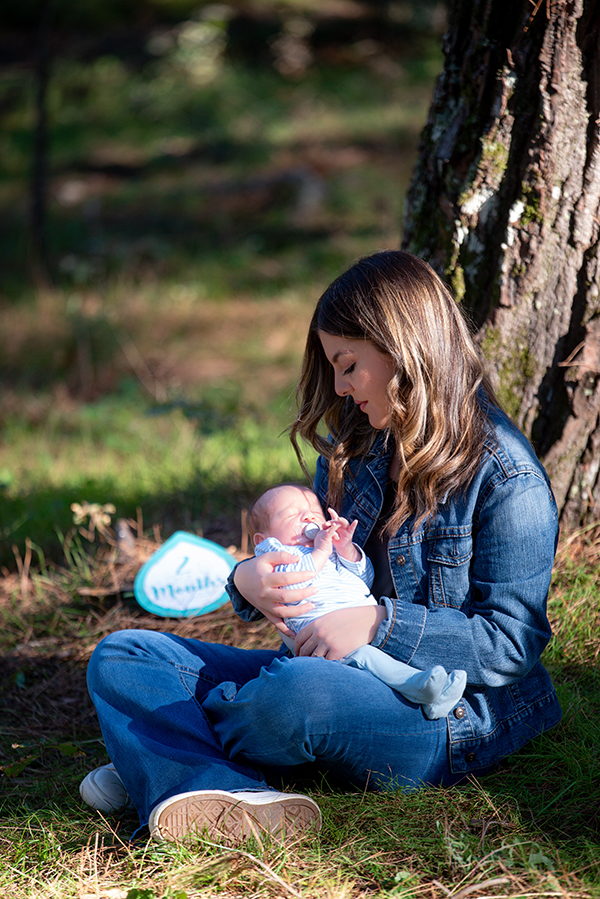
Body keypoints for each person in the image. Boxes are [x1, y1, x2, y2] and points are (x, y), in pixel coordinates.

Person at [80, 250, 561, 847]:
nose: (338, 386)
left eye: (349, 364)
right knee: (124, 655)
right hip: (327, 674)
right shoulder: (353, 450)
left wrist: (378, 623)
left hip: (440, 716)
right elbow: (298, 557)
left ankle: (161, 755)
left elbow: (511, 644)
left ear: (403, 349)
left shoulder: (507, 478)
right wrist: (248, 581)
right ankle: (205, 783)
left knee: (295, 695)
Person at [248, 482, 466, 719]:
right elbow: (295, 584)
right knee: (368, 659)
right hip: (325, 642)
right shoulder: (279, 555)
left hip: (364, 625)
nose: (307, 516)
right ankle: (420, 686)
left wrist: (346, 550)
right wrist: (320, 552)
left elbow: (364, 578)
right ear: (263, 540)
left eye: (314, 512)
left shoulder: (325, 549)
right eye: (291, 514)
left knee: (386, 659)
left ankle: (434, 698)